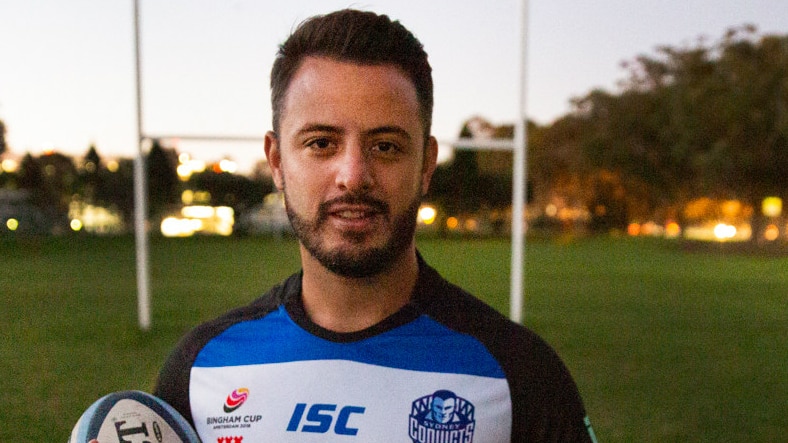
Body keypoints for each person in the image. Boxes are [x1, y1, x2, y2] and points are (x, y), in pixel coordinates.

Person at [154, 9, 597, 442]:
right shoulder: (201, 373)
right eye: (322, 143)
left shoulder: (520, 378)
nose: (353, 174)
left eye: (385, 146)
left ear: (426, 165)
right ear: (277, 162)